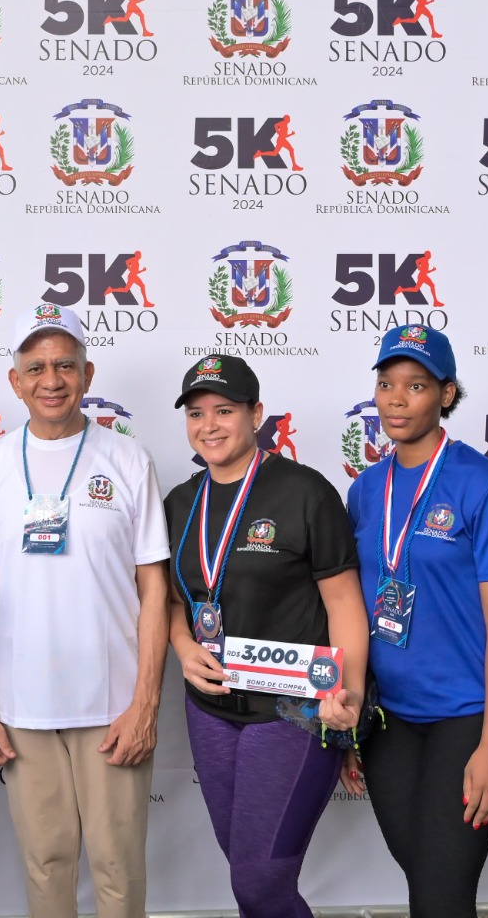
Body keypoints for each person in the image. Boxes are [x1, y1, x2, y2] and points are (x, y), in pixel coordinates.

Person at [0, 304, 169, 918]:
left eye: (65, 365)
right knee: (46, 862)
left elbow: (153, 589)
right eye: (37, 367)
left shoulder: (129, 460)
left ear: (87, 372)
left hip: (113, 706)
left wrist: (146, 704)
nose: (51, 379)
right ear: (15, 380)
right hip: (24, 706)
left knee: (117, 868)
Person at [164, 354, 368, 918]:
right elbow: (172, 602)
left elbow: (345, 602)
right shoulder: (181, 502)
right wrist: (183, 648)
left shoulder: (305, 492)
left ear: (256, 414)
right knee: (246, 870)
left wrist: (345, 692)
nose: (209, 425)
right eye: (197, 413)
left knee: (260, 880)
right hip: (211, 708)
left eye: (224, 410)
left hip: (295, 708)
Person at [344, 326, 488, 917]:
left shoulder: (485, 486)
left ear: (446, 395)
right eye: (385, 384)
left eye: (416, 385)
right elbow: (349, 609)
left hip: (466, 717)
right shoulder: (366, 489)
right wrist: (350, 722)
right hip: (389, 719)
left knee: (441, 895)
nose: (396, 399)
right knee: (426, 881)